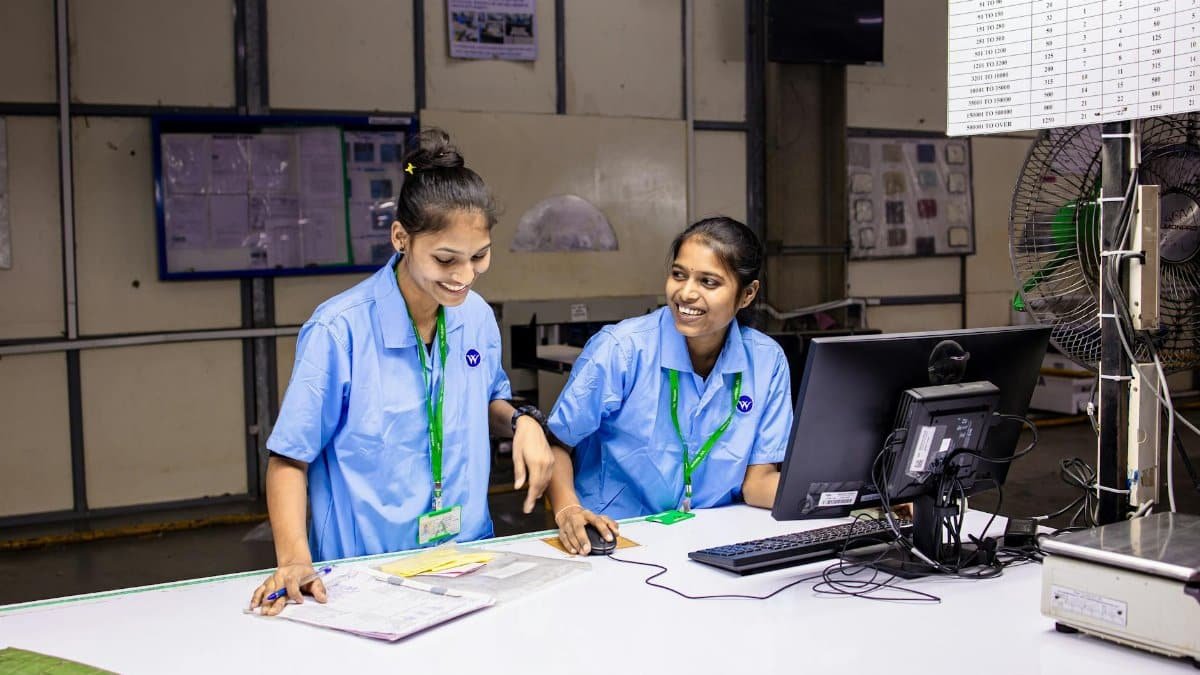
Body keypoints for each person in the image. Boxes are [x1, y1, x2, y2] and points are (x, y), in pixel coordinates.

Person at [250, 129, 554, 614]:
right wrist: (293, 559)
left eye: (480, 256)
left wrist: (523, 422)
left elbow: (489, 401)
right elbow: (290, 458)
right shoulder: (339, 331)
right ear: (401, 239)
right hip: (364, 574)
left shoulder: (474, 316)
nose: (464, 276)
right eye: (445, 259)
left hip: (467, 560)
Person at [545, 217, 792, 554]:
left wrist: (853, 497)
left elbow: (758, 484)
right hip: (615, 539)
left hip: (713, 540)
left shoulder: (766, 362)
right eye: (679, 275)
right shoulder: (623, 349)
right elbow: (557, 441)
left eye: (708, 281)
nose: (686, 293)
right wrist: (568, 510)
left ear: (747, 294)